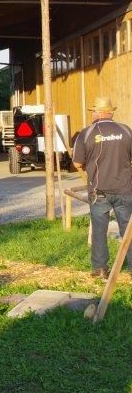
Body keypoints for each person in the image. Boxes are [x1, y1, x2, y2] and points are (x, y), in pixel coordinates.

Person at [72, 96, 132, 278]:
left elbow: (76, 163)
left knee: (99, 230)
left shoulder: (87, 133)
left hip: (99, 192)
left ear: (98, 113)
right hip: (125, 190)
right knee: (128, 231)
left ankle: (99, 270)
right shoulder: (126, 130)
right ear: (111, 112)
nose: (92, 115)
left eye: (93, 112)